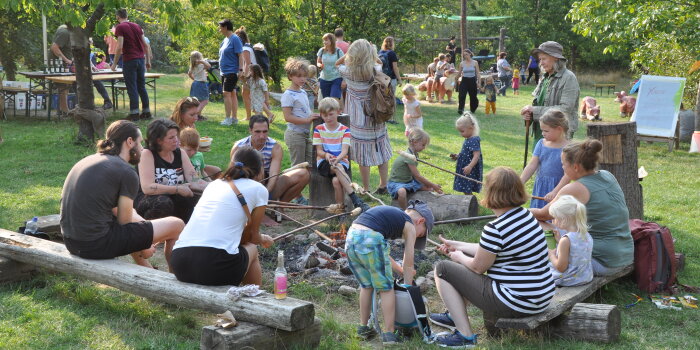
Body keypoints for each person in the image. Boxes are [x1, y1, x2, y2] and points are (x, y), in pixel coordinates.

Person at [430, 167, 555, 348]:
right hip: (540, 297)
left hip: (517, 301)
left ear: (491, 192)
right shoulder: (527, 216)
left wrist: (458, 257)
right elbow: (490, 250)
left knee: (443, 268)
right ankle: (453, 315)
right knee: (460, 267)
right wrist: (456, 245)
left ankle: (465, 337)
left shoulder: (495, 228)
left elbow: (477, 267)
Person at [60, 120, 184, 270]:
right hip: (96, 245)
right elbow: (125, 222)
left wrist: (145, 235)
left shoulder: (89, 160)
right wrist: (145, 243)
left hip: (72, 242)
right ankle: (174, 279)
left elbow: (117, 211)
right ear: (130, 142)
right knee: (176, 225)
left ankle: (148, 271)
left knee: (131, 224)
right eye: (140, 143)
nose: (142, 148)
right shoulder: (125, 171)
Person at [171, 147, 274, 286]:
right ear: (260, 170)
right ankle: (254, 298)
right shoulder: (259, 189)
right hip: (216, 266)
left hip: (180, 262)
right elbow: (253, 237)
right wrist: (264, 239)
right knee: (252, 249)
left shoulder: (213, 185)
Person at [531, 139, 634, 276]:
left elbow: (543, 215)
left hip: (602, 262)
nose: (562, 168)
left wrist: (516, 211)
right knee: (564, 225)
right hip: (625, 255)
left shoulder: (575, 188)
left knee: (535, 222)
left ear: (575, 167)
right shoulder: (608, 175)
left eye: (563, 164)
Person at [349, 201, 434, 345]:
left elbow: (379, 253)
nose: (417, 237)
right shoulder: (410, 226)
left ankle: (363, 328)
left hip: (351, 237)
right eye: (421, 234)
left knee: (366, 286)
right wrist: (408, 288)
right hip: (371, 239)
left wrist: (399, 270)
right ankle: (389, 333)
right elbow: (409, 262)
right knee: (386, 289)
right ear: (420, 221)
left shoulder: (392, 217)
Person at [335, 39, 392, 194]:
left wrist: (348, 53)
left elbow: (336, 63)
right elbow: (378, 60)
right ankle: (383, 185)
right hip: (376, 114)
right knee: (381, 148)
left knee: (362, 155)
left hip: (358, 119)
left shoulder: (347, 71)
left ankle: (366, 188)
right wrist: (371, 54)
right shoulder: (375, 69)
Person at [230, 115, 311, 211]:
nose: (262, 136)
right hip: (245, 188)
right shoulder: (239, 147)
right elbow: (232, 176)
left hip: (268, 185)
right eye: (257, 132)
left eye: (265, 131)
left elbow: (273, 175)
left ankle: (279, 207)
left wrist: (264, 194)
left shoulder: (275, 147)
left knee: (304, 174)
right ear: (250, 130)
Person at [135, 118, 204, 222]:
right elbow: (148, 188)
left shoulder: (180, 153)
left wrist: (216, 186)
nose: (176, 140)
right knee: (164, 202)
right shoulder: (147, 154)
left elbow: (194, 180)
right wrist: (177, 189)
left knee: (200, 199)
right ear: (158, 141)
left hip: (174, 196)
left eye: (176, 136)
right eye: (171, 137)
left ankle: (184, 233)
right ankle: (153, 233)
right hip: (148, 198)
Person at [312, 97, 370, 213]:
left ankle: (340, 210)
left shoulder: (345, 130)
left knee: (336, 181)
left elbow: (344, 151)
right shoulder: (318, 129)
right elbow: (319, 151)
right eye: (324, 115)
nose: (328, 118)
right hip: (324, 162)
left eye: (331, 114)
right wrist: (327, 155)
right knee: (336, 167)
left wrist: (337, 159)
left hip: (341, 161)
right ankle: (356, 199)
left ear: (338, 112)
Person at [521, 41, 580, 141]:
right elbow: (539, 103)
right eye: (540, 59)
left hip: (559, 134)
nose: (541, 63)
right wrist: (529, 114)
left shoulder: (568, 77)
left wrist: (534, 110)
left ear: (555, 58)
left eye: (544, 59)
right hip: (541, 132)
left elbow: (565, 109)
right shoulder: (544, 78)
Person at [520, 109, 571, 208]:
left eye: (546, 131)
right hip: (541, 186)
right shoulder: (541, 143)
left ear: (559, 129)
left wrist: (555, 191)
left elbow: (568, 175)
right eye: (542, 130)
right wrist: (520, 182)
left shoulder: (568, 148)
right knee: (538, 215)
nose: (543, 133)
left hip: (558, 188)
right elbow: (532, 165)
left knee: (554, 216)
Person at [543, 195, 593, 287]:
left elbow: (561, 268)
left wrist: (551, 255)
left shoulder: (565, 240)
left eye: (554, 218)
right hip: (584, 276)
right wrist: (559, 240)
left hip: (569, 279)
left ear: (564, 219)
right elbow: (574, 252)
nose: (552, 221)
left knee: (539, 272)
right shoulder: (586, 234)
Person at [111, 9, 152, 121]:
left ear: (117, 17)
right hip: (140, 59)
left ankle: (134, 114)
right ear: (127, 15)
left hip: (129, 60)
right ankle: (146, 112)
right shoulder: (137, 26)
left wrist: (114, 64)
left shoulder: (120, 27)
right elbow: (146, 45)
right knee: (141, 87)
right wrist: (148, 60)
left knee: (132, 87)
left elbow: (119, 47)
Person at [388, 129, 443, 209]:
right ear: (415, 142)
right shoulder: (409, 156)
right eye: (423, 145)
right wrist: (433, 185)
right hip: (397, 183)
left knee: (428, 189)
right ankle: (404, 212)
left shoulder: (414, 155)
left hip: (409, 181)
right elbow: (417, 175)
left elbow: (415, 176)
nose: (424, 148)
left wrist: (428, 185)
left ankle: (425, 204)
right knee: (402, 192)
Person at [282, 58, 319, 169]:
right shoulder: (288, 94)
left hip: (306, 134)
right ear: (290, 76)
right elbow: (287, 117)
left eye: (304, 75)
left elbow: (306, 110)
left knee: (311, 165)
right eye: (299, 76)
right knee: (298, 168)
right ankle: (293, 186)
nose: (302, 79)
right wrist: (307, 120)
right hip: (295, 135)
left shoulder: (302, 91)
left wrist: (315, 115)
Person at [217, 19, 243, 126]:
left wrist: (241, 70)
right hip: (224, 71)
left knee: (226, 93)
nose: (219, 30)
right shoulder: (225, 40)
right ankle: (234, 118)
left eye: (220, 27)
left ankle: (228, 119)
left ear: (226, 27)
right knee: (232, 94)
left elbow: (240, 55)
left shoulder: (235, 39)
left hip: (232, 71)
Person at [452, 113, 482, 195]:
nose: (461, 134)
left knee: (467, 186)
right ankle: (470, 200)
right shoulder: (468, 139)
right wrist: (458, 156)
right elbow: (467, 153)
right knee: (465, 186)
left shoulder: (474, 140)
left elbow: (476, 155)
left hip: (469, 168)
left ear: (471, 128)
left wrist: (470, 166)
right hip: (465, 166)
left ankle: (471, 201)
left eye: (462, 131)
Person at [49, 25, 73, 117]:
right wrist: (67, 60)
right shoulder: (64, 32)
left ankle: (62, 110)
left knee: (65, 86)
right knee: (63, 86)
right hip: (58, 64)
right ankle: (65, 111)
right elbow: (54, 47)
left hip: (64, 64)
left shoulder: (69, 32)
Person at [236, 26, 257, 121]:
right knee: (249, 95)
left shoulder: (245, 49)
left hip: (251, 74)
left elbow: (248, 63)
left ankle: (250, 116)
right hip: (254, 73)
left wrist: (245, 76)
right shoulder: (248, 46)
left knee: (247, 94)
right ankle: (253, 115)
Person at [316, 33, 344, 100]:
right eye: (323, 40)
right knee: (327, 100)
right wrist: (319, 65)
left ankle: (336, 110)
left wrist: (344, 80)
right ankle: (330, 111)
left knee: (334, 98)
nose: (324, 42)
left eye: (326, 40)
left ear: (332, 41)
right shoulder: (322, 50)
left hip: (336, 78)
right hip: (324, 78)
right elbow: (318, 62)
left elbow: (344, 65)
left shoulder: (338, 51)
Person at [457, 49, 481, 115]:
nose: (465, 56)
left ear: (470, 54)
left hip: (472, 80)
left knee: (473, 96)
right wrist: (455, 79)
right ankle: (461, 109)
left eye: (466, 54)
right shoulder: (462, 63)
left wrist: (479, 82)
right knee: (462, 95)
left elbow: (478, 73)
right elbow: (459, 73)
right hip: (464, 80)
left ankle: (473, 108)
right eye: (464, 55)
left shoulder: (475, 62)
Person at [188, 51, 211, 119]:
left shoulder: (192, 66)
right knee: (205, 101)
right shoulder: (201, 65)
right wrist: (202, 61)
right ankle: (195, 113)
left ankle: (198, 116)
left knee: (198, 101)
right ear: (199, 58)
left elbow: (189, 73)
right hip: (201, 84)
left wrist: (194, 79)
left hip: (195, 83)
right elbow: (209, 66)